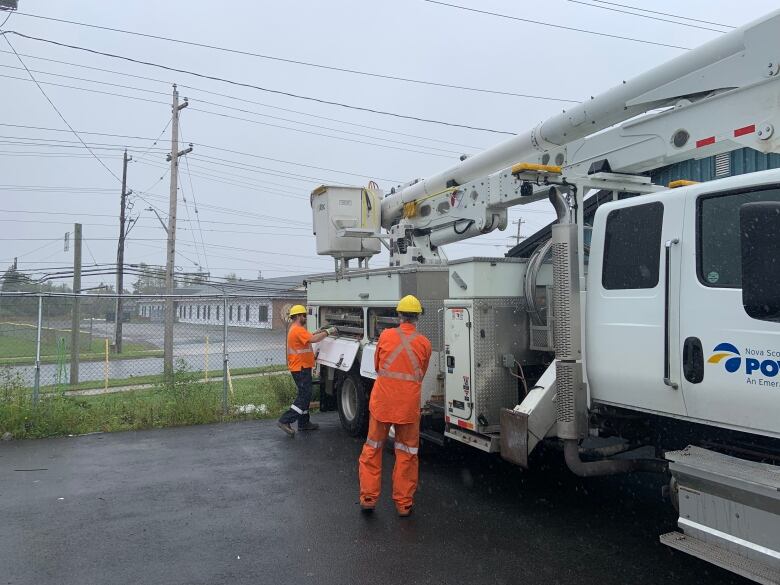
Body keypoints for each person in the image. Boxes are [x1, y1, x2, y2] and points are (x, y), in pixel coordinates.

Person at [358, 295, 432, 517]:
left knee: (373, 449)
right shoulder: (424, 343)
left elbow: (378, 365)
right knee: (407, 454)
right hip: (408, 407)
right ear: (417, 317)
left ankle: (369, 498)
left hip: (382, 403)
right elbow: (421, 373)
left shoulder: (386, 336)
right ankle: (404, 504)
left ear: (399, 315)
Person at [278, 305, 336, 437]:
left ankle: (304, 423)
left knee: (305, 395)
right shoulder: (297, 330)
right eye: (304, 315)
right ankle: (285, 420)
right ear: (298, 316)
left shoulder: (296, 329)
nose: (305, 318)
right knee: (304, 396)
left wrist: (318, 331)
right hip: (301, 368)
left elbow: (309, 336)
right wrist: (329, 331)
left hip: (300, 367)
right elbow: (313, 339)